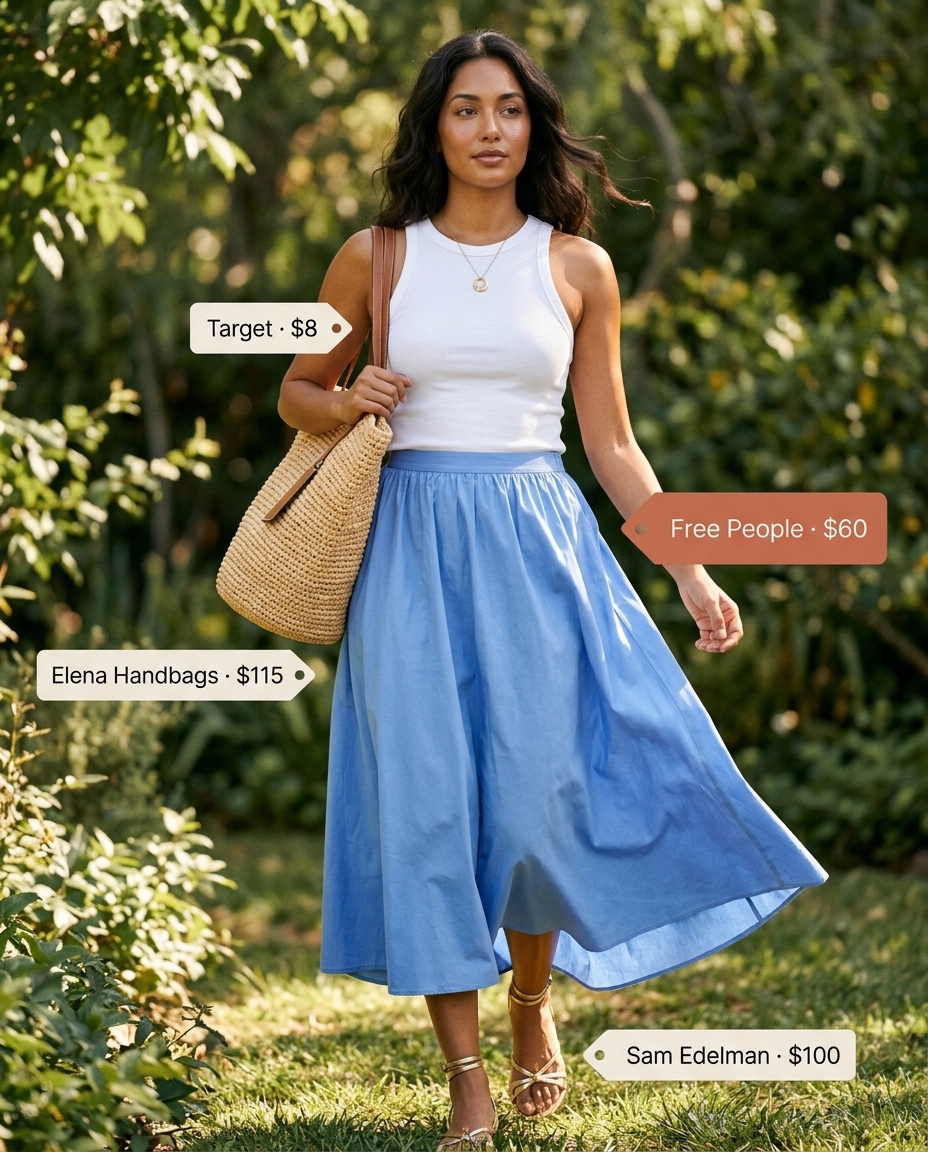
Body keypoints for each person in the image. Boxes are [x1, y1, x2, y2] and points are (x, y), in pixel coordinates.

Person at [278, 29, 827, 1151]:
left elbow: (613, 443)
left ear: (536, 126)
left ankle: (530, 1001)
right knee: (431, 809)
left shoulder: (577, 266)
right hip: (409, 553)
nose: (490, 130)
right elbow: (296, 388)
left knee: (536, 805)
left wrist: (689, 566)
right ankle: (465, 1076)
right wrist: (345, 401)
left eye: (510, 110)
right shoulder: (374, 255)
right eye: (468, 110)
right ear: (435, 125)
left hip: (538, 545)